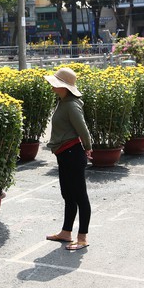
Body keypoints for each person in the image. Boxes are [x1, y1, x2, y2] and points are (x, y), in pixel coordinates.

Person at [44, 67, 93, 251]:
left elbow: (83, 130)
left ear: (64, 87)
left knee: (80, 197)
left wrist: (88, 148)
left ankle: (82, 238)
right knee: (68, 195)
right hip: (64, 154)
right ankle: (66, 232)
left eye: (55, 84)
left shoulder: (71, 105)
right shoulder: (63, 101)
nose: (52, 86)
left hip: (73, 154)